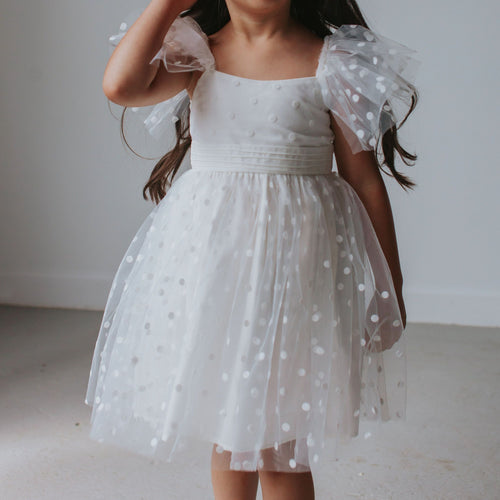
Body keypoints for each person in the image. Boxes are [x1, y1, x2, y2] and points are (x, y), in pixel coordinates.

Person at [85, 0, 420, 498]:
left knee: (281, 440)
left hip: (296, 270)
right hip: (214, 267)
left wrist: (389, 286)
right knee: (230, 423)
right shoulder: (197, 54)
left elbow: (364, 181)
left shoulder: (334, 61)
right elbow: (121, 85)